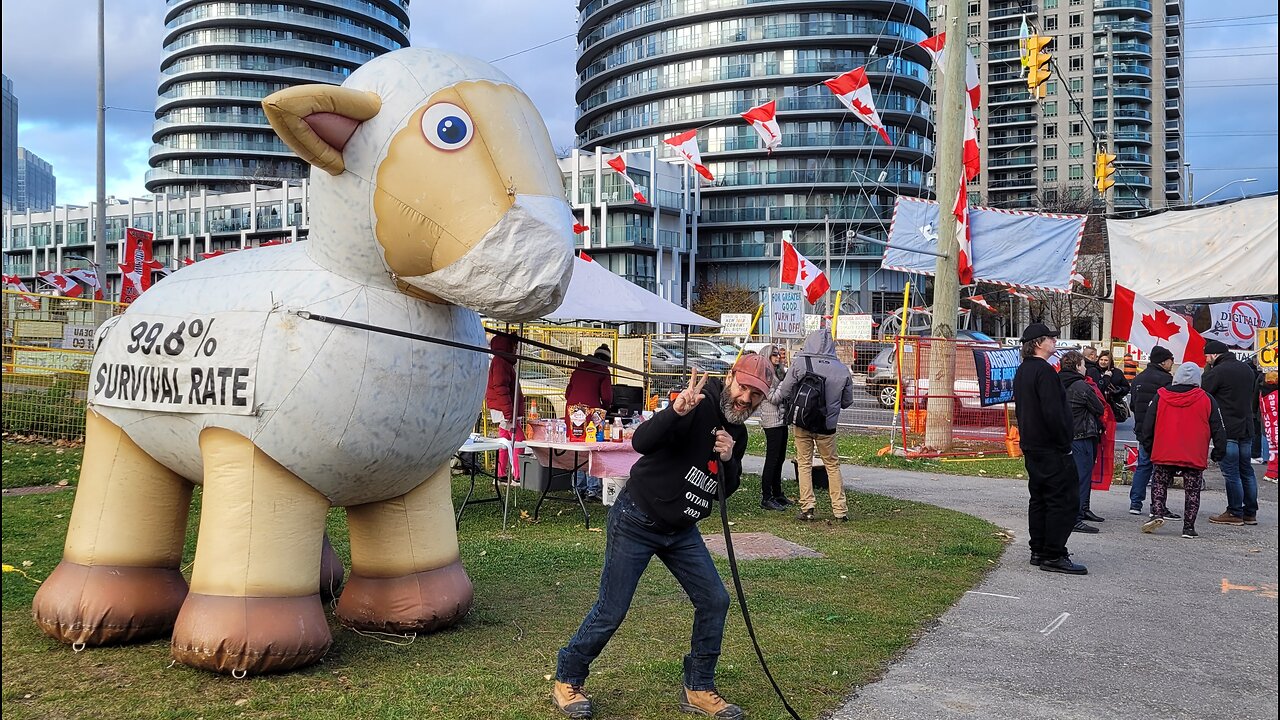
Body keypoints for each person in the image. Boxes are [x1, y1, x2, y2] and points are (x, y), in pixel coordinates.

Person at [551, 357, 771, 720]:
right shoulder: (695, 406)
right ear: (730, 377)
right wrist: (675, 412)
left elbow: (725, 489)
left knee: (715, 600)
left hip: (681, 530)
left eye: (756, 394)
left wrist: (730, 458)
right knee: (612, 609)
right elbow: (642, 441)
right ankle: (568, 679)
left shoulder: (738, 433)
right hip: (636, 519)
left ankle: (699, 688)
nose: (746, 397)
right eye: (743, 387)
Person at [1013, 322, 1088, 575]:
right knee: (1063, 500)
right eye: (1050, 339)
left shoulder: (1024, 370)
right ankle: (1054, 553)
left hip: (1033, 444)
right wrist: (1063, 443)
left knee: (1040, 498)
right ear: (1037, 343)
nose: (1055, 343)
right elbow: (1053, 412)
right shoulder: (1044, 371)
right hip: (1050, 446)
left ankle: (1039, 549)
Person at [1138, 363, 1227, 538]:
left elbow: (1148, 424)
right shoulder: (1207, 398)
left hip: (1164, 449)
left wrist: (1148, 446)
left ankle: (1157, 513)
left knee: (1159, 483)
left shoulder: (1161, 396)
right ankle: (1188, 528)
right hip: (1193, 452)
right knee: (1192, 490)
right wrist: (1219, 451)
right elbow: (1218, 427)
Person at [776, 328, 855, 522]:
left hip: (802, 421)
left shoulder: (800, 363)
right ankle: (840, 510)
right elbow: (847, 402)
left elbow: (785, 391)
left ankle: (808, 507)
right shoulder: (842, 369)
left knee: (804, 463)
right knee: (832, 465)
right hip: (827, 425)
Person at [1202, 339, 1260, 526]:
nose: (1206, 360)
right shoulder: (1246, 370)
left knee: (1231, 473)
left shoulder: (1217, 372)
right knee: (1247, 471)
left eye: (1207, 356)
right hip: (1246, 426)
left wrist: (1207, 372)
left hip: (1227, 428)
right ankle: (1250, 512)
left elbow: (1205, 394)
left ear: (1213, 355)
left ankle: (1235, 512)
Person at [1060, 351, 1105, 533]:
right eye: (1084, 365)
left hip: (1064, 434)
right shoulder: (1081, 386)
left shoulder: (1056, 381)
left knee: (1070, 477)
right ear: (1077, 366)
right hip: (1082, 434)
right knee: (1083, 476)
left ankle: (1083, 509)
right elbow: (1099, 407)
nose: (1086, 368)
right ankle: (1077, 516)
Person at [1127, 346, 1175, 514]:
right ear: (1163, 361)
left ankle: (1135, 503)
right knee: (1160, 469)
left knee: (1143, 465)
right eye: (1171, 359)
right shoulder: (1166, 380)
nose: (1172, 363)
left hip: (1142, 429)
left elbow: (1133, 405)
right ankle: (1158, 505)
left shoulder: (1138, 378)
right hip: (1161, 430)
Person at [565, 343, 615, 501]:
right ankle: (593, 490)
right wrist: (605, 408)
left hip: (573, 412)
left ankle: (577, 487)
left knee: (578, 449)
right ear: (607, 360)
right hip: (592, 414)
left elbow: (568, 393)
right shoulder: (603, 370)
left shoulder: (579, 368)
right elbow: (606, 396)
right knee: (592, 449)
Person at [755, 344, 793, 510]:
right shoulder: (765, 375)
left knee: (780, 458)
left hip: (781, 419)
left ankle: (777, 493)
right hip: (771, 421)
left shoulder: (779, 373)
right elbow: (773, 397)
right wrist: (785, 386)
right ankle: (766, 496)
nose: (778, 358)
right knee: (772, 459)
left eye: (778, 354)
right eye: (774, 355)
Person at [485, 333, 522, 485]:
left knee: (504, 441)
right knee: (519, 440)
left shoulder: (500, 361)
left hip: (502, 410)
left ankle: (501, 473)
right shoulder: (501, 362)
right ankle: (518, 475)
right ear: (509, 346)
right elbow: (501, 389)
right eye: (515, 346)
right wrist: (509, 413)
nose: (516, 350)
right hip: (505, 411)